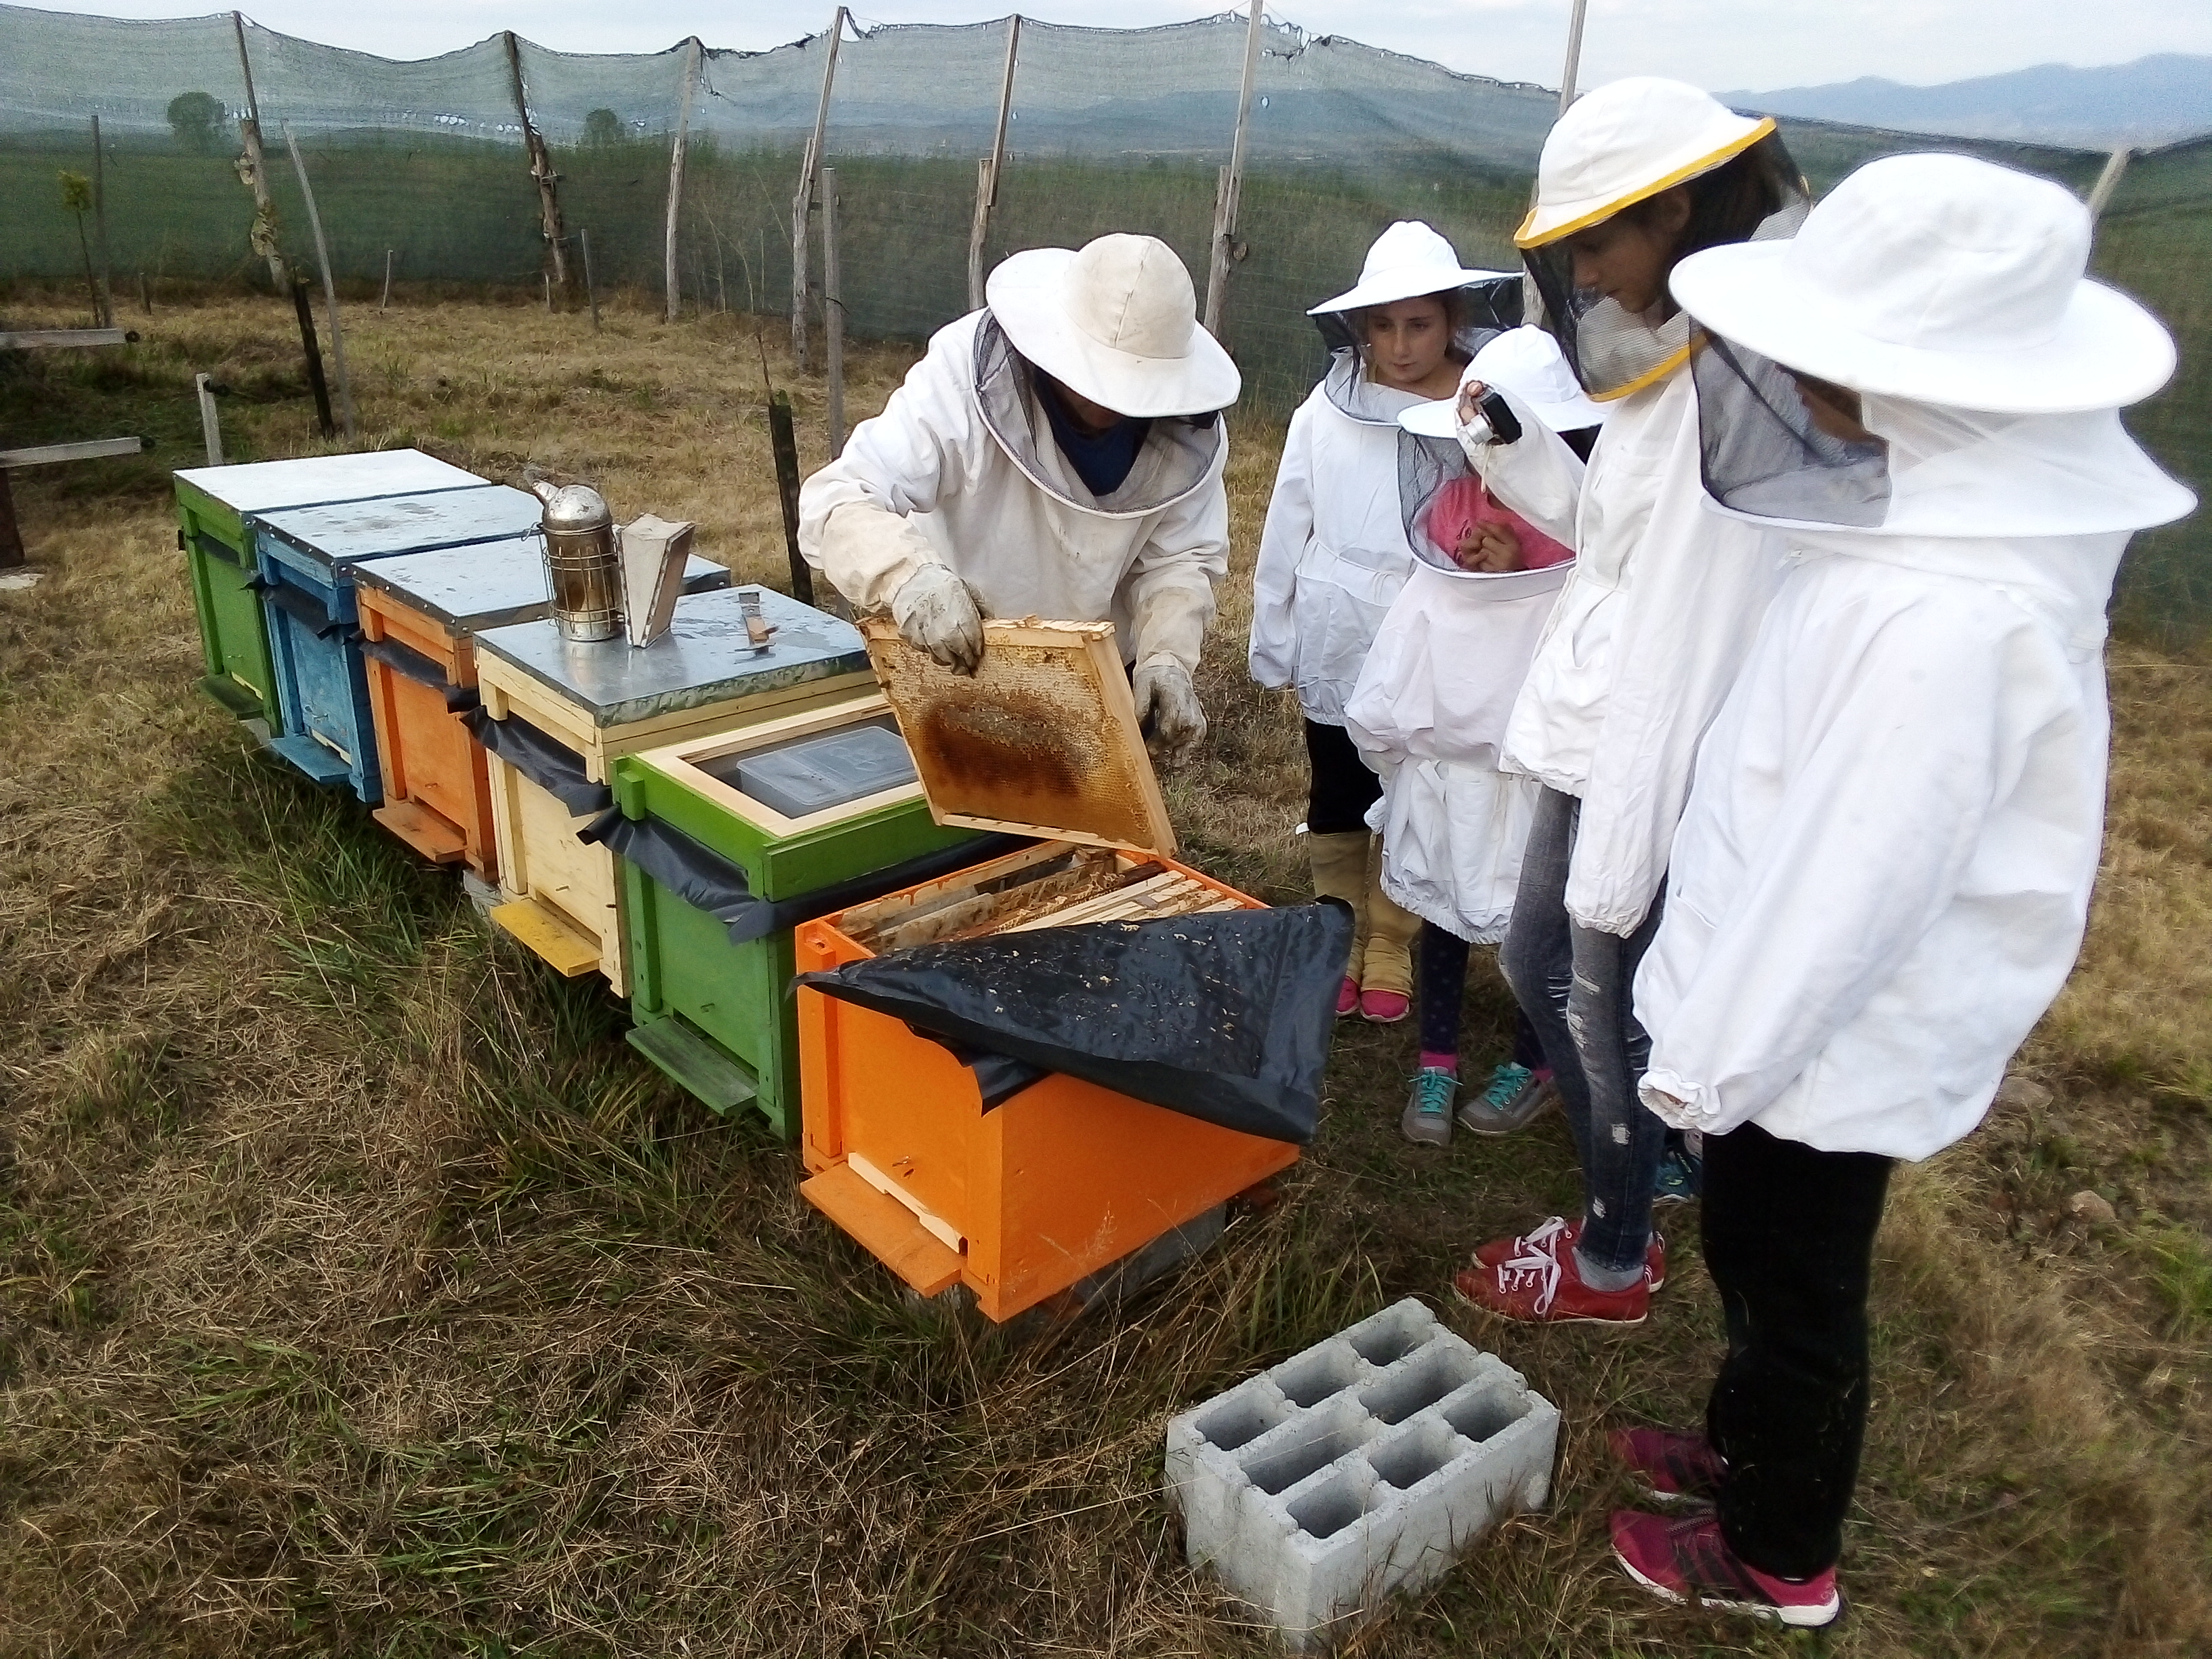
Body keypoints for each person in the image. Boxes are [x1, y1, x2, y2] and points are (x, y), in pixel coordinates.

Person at [1603, 152, 2191, 1627]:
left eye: (1823, 358)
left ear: (1910, 383)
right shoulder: (1939, 545)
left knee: (1797, 1293)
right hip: (1801, 1029)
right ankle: (1744, 1456)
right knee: (1757, 1256)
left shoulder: (1949, 615)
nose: (1790, 381)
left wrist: (1706, 1064)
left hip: (1818, 1042)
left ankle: (1778, 1553)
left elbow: (1846, 886)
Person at [1447, 79, 1811, 1326]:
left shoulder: (1735, 384)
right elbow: (1610, 553)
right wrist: (1510, 450)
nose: (1585, 277)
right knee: (1542, 963)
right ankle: (1646, 1154)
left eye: (1596, 242)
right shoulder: (1675, 363)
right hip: (1595, 723)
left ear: (1678, 212)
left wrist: (1616, 857)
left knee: (1580, 977)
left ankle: (1611, 1249)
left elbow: (1688, 636)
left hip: (1637, 754)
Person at [798, 232, 1240, 766]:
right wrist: (909, 577)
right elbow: (839, 498)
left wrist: (1166, 657)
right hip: (957, 653)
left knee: (1078, 839)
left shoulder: (1187, 433)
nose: (1108, 403)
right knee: (961, 836)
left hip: (1098, 675)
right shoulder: (964, 376)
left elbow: (1179, 562)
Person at [1343, 326, 1602, 1147]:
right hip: (1446, 765)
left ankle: (1536, 1060)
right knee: (1445, 911)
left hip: (1527, 773)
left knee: (1537, 927)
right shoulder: (1451, 501)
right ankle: (1439, 1055)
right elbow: (1413, 634)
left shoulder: (1585, 534)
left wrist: (1521, 549)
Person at [1248, 222, 1513, 1021]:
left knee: (1412, 789)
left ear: (1453, 319)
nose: (1401, 345)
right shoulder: (1324, 411)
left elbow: (1526, 507)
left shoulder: (1486, 411)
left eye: (1420, 324)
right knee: (1337, 783)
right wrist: (1274, 634)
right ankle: (1339, 932)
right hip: (1337, 625)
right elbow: (1285, 521)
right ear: (1360, 326)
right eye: (1384, 325)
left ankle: (1391, 943)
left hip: (1434, 628)